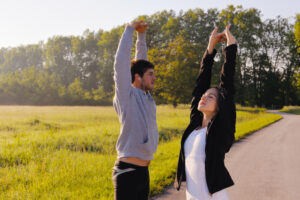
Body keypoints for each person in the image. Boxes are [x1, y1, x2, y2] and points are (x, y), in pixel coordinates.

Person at [175, 25, 237, 200]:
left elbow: (227, 83)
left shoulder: (220, 129)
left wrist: (230, 47)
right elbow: (201, 83)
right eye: (204, 95)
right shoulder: (195, 123)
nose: (203, 97)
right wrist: (210, 48)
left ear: (220, 106)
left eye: (210, 97)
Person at [112, 20, 159, 200]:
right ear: (137, 78)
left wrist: (141, 36)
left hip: (143, 172)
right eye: (151, 75)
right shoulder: (126, 96)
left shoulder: (146, 97)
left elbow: (141, 61)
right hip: (127, 172)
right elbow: (121, 64)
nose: (154, 78)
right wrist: (130, 29)